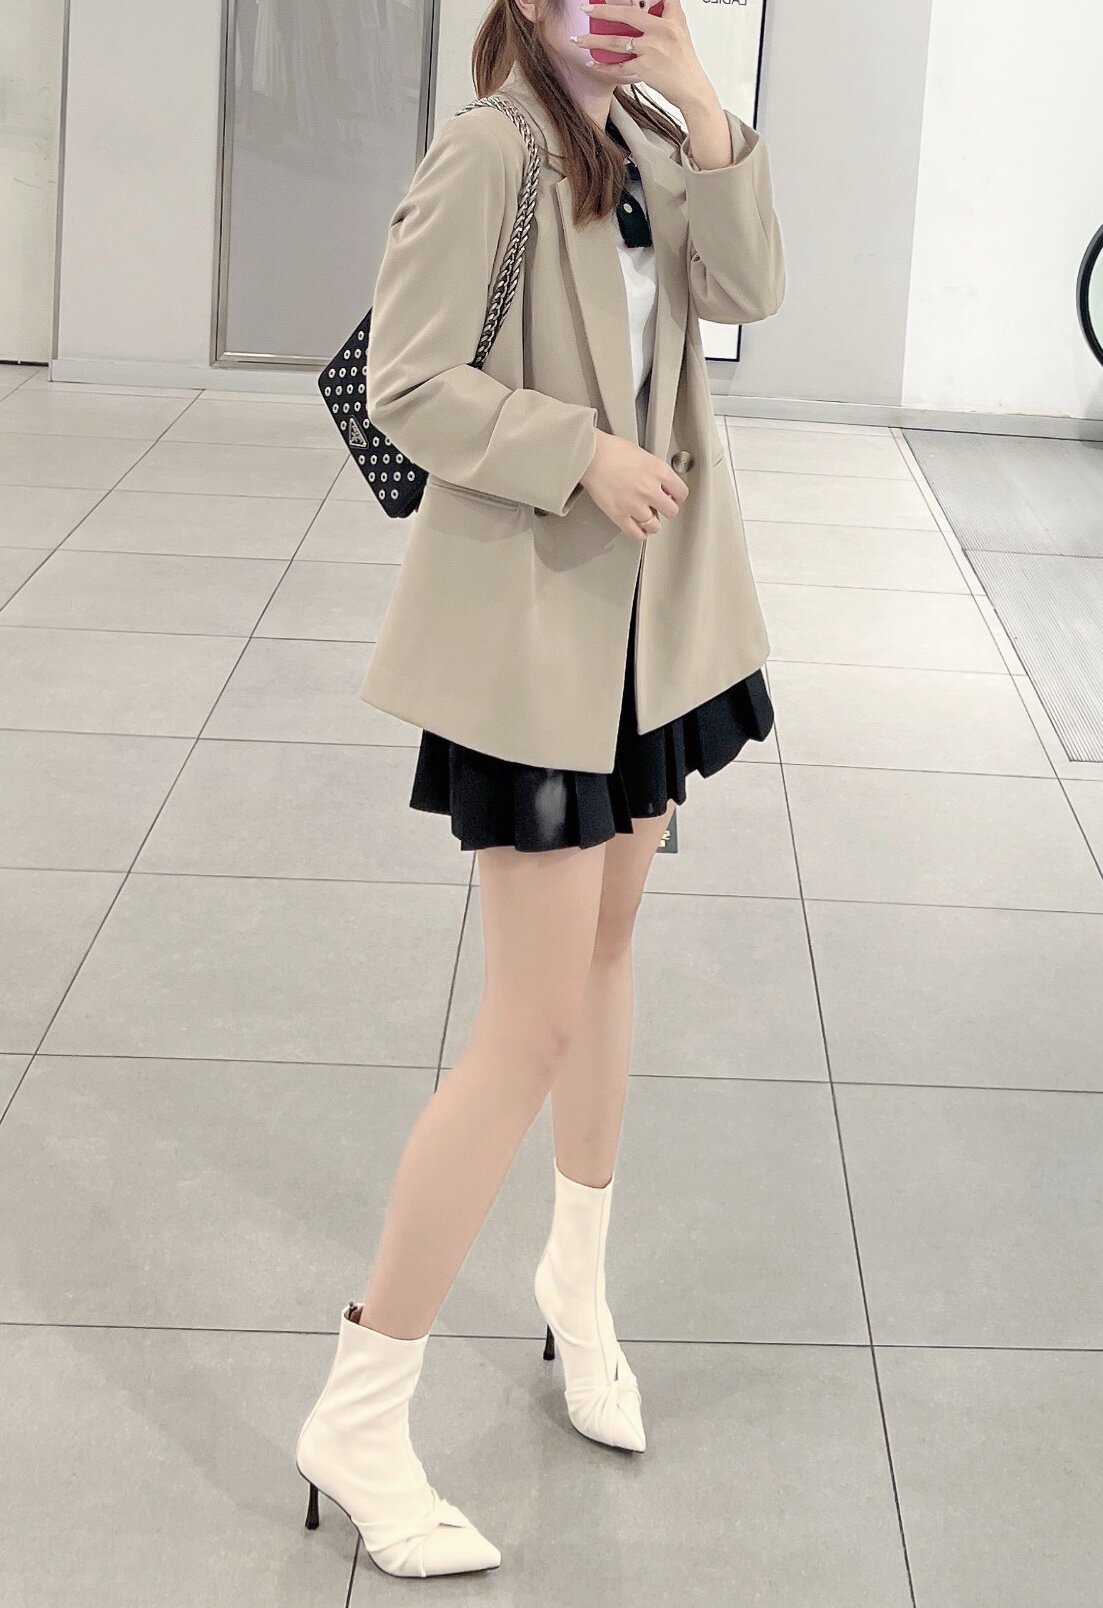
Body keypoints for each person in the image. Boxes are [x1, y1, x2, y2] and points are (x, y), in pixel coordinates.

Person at [295, 0, 785, 1579]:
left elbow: (747, 292)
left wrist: (703, 101)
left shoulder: (645, 137)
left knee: (608, 958)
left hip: (642, 636)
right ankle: (360, 1410)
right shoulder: (490, 153)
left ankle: (576, 1284)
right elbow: (407, 383)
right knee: (527, 1027)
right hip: (533, 633)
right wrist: (578, 451)